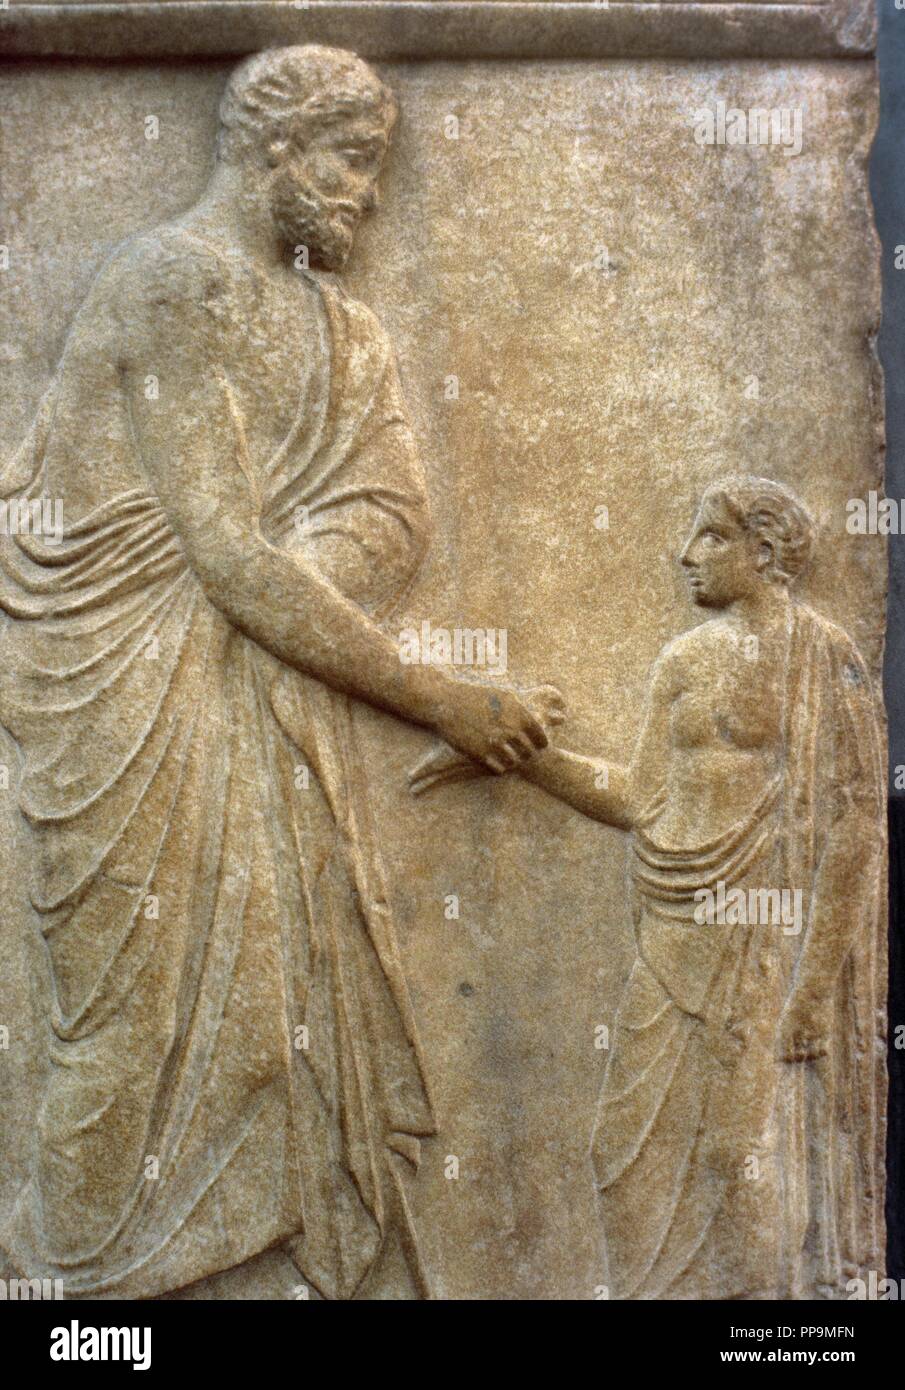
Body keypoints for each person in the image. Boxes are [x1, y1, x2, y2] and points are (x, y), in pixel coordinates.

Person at [0, 45, 549, 1299]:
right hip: (129, 715)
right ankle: (85, 1310)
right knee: (133, 1040)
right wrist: (447, 697)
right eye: (351, 162)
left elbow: (391, 515)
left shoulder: (340, 326)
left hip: (273, 709)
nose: (366, 193)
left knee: (276, 1028)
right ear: (271, 151)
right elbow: (230, 559)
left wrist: (314, 567)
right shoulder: (164, 287)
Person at [440, 475, 885, 1298]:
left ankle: (767, 1324)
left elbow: (858, 826)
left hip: (768, 939)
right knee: (619, 1149)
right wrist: (525, 754)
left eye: (710, 537)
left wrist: (815, 988)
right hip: (673, 930)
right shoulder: (681, 661)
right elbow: (639, 800)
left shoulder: (827, 659)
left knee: (738, 1153)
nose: (686, 555)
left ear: (765, 550)